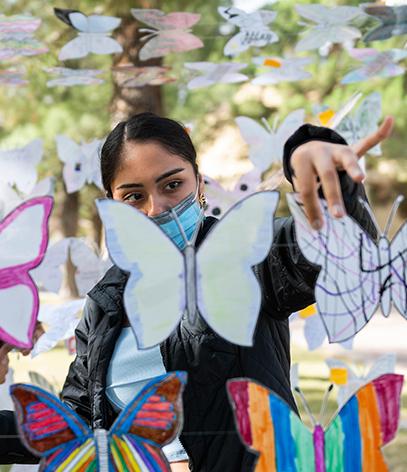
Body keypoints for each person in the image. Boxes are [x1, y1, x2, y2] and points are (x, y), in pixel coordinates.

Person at [0, 112, 392, 471]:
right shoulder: (104, 304)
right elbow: (77, 421)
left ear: (200, 183)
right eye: (134, 196)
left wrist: (311, 155)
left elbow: (335, 253)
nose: (157, 208)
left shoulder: (248, 257)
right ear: (111, 205)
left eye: (172, 184)